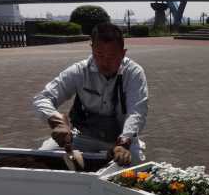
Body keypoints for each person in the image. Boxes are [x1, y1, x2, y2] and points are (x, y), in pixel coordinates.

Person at [33, 22, 148, 166]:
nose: (105, 62)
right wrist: (56, 121)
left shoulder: (134, 73)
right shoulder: (79, 71)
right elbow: (42, 98)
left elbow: (137, 112)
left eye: (112, 56)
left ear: (123, 53)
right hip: (83, 137)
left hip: (120, 139)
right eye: (99, 54)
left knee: (133, 167)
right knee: (44, 155)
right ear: (92, 48)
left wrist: (124, 142)